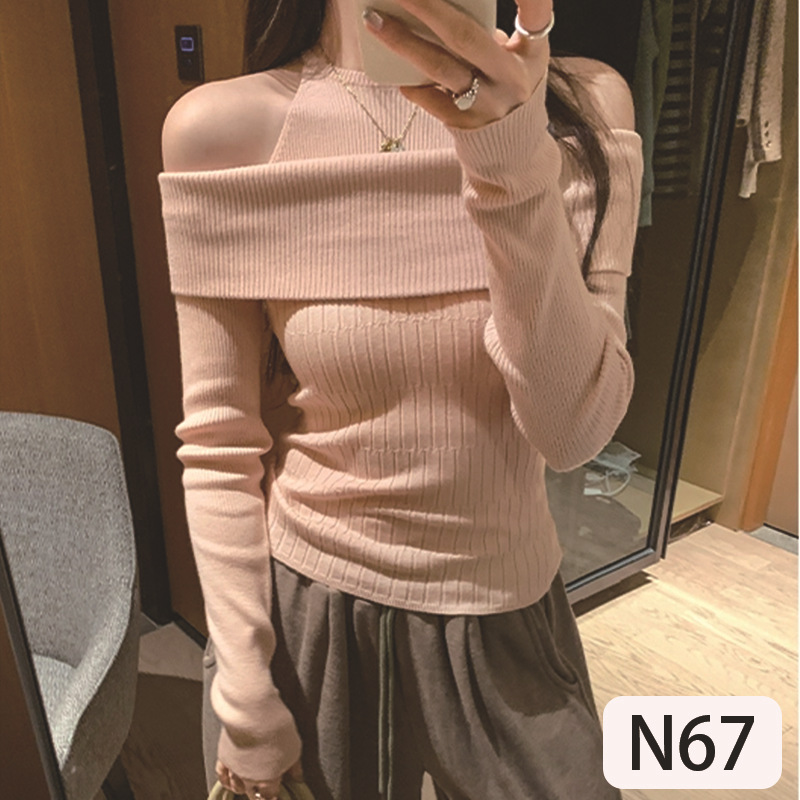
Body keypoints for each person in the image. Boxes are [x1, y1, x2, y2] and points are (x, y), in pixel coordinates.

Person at [159, 0, 642, 797]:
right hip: (308, 623)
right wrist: (244, 690)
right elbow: (218, 445)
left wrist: (510, 153)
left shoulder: (583, 110)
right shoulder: (225, 131)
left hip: (507, 612)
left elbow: (572, 431)